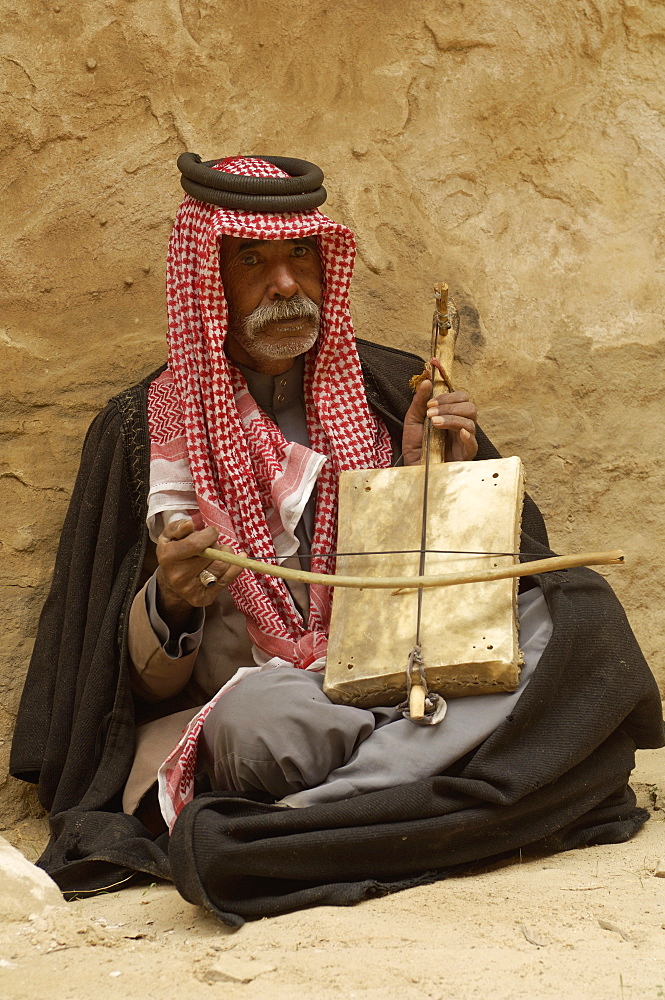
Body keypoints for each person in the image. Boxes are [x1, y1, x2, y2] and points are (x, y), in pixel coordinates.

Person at [10, 155, 663, 925]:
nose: (285, 285)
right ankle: (444, 786)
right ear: (206, 282)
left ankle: (314, 821)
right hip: (277, 698)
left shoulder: (391, 390)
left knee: (576, 610)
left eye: (299, 258)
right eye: (251, 261)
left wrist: (430, 479)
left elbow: (485, 585)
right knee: (264, 723)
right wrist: (172, 605)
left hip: (412, 671)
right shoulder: (142, 429)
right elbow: (116, 690)